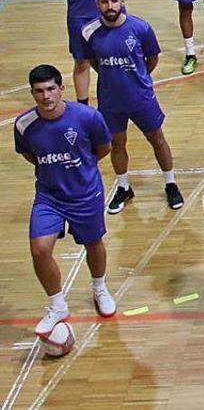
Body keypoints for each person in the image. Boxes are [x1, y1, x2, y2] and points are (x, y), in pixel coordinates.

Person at [15, 65, 115, 337]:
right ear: (33, 93)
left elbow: (104, 148)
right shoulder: (24, 125)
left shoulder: (88, 117)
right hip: (49, 196)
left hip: (85, 193)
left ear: (62, 88)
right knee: (39, 249)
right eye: (39, 91)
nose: (46, 96)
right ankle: (57, 305)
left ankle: (99, 288)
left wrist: (81, 170)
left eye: (50, 89)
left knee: (93, 243)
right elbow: (29, 154)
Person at [80, 0, 184, 214]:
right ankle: (124, 187)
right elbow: (93, 61)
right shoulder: (89, 32)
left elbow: (152, 58)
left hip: (141, 98)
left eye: (114, 1)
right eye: (105, 2)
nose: (110, 6)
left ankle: (170, 183)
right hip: (110, 101)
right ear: (97, 4)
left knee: (157, 139)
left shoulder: (141, 28)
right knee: (117, 144)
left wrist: (138, 78)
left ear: (123, 1)